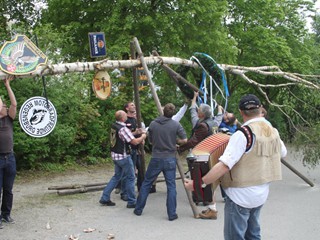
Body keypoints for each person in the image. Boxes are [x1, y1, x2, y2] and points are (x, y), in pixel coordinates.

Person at [185, 94, 287, 239]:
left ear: (241, 112)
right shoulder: (273, 131)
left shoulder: (243, 134)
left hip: (240, 196)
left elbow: (224, 166)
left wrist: (198, 184)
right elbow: (283, 153)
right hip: (261, 193)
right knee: (253, 235)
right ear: (260, 109)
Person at [134, 103, 187, 221]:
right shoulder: (176, 124)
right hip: (170, 158)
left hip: (156, 158)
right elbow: (184, 140)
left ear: (163, 111)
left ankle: (138, 209)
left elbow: (151, 141)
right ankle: (172, 214)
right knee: (171, 186)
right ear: (173, 113)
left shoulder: (153, 124)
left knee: (147, 183)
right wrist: (175, 141)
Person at [99, 110, 147, 208]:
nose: (126, 116)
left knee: (116, 177)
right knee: (131, 177)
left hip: (115, 155)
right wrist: (143, 136)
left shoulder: (114, 126)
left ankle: (105, 197)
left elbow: (124, 137)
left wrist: (135, 132)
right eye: (125, 115)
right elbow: (134, 142)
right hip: (123, 157)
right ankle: (132, 201)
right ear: (122, 118)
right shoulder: (123, 129)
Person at [115, 102, 144, 200]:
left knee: (136, 171)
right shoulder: (124, 120)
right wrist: (136, 133)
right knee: (126, 173)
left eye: (134, 105)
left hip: (136, 149)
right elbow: (124, 134)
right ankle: (124, 193)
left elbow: (139, 132)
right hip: (127, 150)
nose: (134, 106)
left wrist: (141, 141)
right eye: (132, 105)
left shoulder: (136, 119)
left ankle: (138, 190)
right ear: (127, 108)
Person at [0, 75, 17, 229]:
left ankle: (6, 214)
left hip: (10, 158)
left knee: (8, 189)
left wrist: (7, 85)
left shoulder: (9, 118)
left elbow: (14, 103)